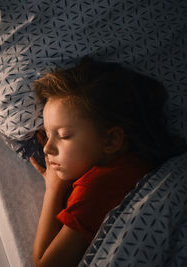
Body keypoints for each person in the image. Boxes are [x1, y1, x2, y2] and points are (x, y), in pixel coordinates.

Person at [30, 56, 178, 267]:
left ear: (111, 140)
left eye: (63, 136)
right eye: (47, 133)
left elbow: (44, 264)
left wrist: (54, 188)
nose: (47, 148)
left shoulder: (95, 188)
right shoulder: (139, 160)